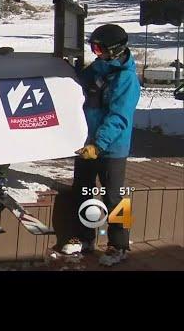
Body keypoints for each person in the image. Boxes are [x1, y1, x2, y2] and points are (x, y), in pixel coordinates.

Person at [62, 24, 141, 266]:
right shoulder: (99, 67)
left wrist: (99, 144)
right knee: (84, 190)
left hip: (112, 147)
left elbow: (119, 117)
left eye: (99, 48)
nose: (95, 53)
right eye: (92, 48)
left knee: (115, 197)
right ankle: (85, 238)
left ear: (114, 50)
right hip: (87, 143)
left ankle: (119, 245)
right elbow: (76, 83)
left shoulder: (126, 79)